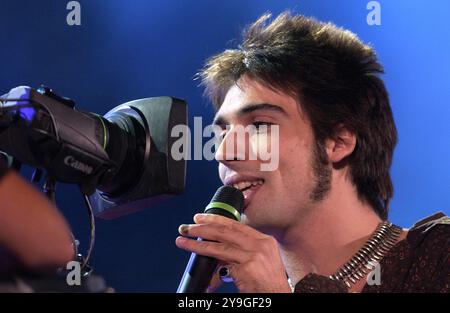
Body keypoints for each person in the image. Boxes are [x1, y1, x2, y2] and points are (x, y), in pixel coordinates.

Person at [175, 12, 450, 293]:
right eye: (223, 133)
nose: (223, 152)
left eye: (259, 126)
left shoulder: (439, 256)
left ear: (338, 141)